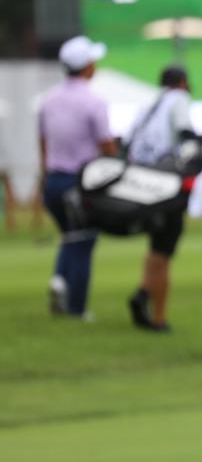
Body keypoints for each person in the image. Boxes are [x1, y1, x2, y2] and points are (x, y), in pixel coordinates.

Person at [39, 35, 118, 320]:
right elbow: (106, 144)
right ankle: (77, 308)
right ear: (86, 67)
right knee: (84, 242)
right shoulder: (93, 101)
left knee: (70, 238)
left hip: (53, 182)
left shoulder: (48, 100)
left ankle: (60, 279)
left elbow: (43, 142)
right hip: (80, 184)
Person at [125, 64, 196, 333]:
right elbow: (186, 134)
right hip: (165, 183)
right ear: (182, 82)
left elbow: (129, 142)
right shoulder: (178, 99)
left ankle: (143, 293)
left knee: (156, 247)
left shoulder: (148, 104)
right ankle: (159, 317)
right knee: (164, 249)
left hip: (140, 182)